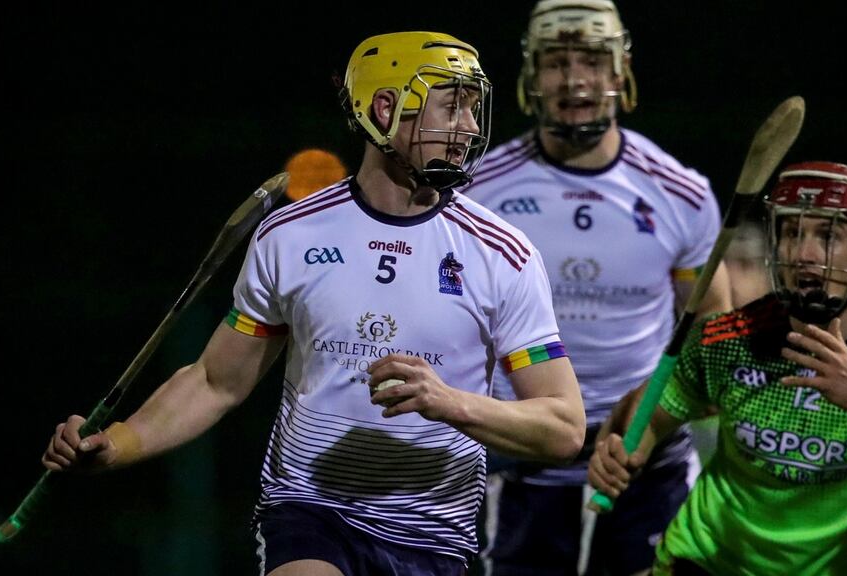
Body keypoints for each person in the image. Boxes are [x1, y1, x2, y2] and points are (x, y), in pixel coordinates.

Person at [42, 31, 586, 576]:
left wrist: (451, 403)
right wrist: (116, 445)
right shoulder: (290, 235)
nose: (469, 129)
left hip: (433, 536)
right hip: (309, 513)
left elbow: (563, 428)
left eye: (472, 109)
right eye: (453, 107)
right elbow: (216, 382)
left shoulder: (504, 254)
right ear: (384, 108)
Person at [588, 161, 847, 576]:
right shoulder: (729, 338)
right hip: (701, 562)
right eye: (792, 233)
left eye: (827, 236)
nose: (804, 255)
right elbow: (646, 418)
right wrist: (623, 452)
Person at [461, 2, 731, 574]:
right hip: (517, 470)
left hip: (646, 471)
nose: (575, 79)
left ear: (619, 72)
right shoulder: (476, 195)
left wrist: (647, 426)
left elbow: (714, 339)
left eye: (591, 60)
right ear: (531, 77)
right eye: (556, 63)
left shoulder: (680, 194)